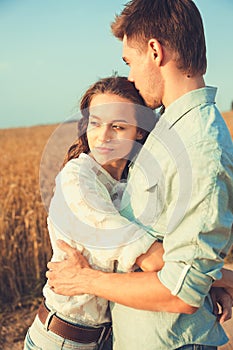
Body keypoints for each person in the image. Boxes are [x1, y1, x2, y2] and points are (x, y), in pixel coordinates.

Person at [47, 1, 233, 349]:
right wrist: (219, 278)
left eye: (129, 62)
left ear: (154, 51)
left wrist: (83, 279)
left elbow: (181, 293)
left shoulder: (200, 146)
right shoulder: (168, 130)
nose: (130, 76)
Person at [24, 76, 160, 350]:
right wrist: (221, 280)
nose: (103, 136)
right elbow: (153, 260)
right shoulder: (77, 180)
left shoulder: (132, 183)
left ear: (140, 131)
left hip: (109, 339)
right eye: (95, 123)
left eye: (118, 126)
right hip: (62, 340)